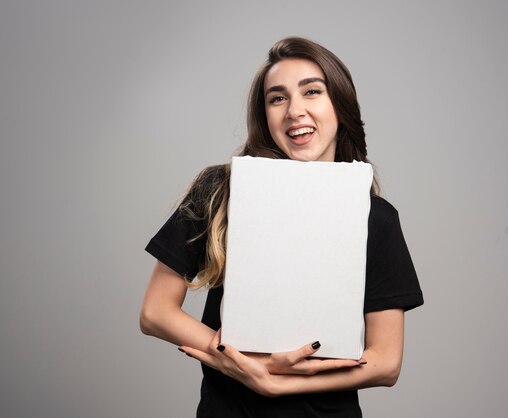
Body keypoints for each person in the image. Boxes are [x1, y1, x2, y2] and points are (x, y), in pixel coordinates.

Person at [140, 37, 423, 417]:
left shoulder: (376, 218)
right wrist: (234, 361)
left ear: (339, 104)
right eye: (278, 98)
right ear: (265, 116)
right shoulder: (220, 191)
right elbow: (155, 311)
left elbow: (386, 362)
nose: (295, 111)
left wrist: (276, 383)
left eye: (312, 92)